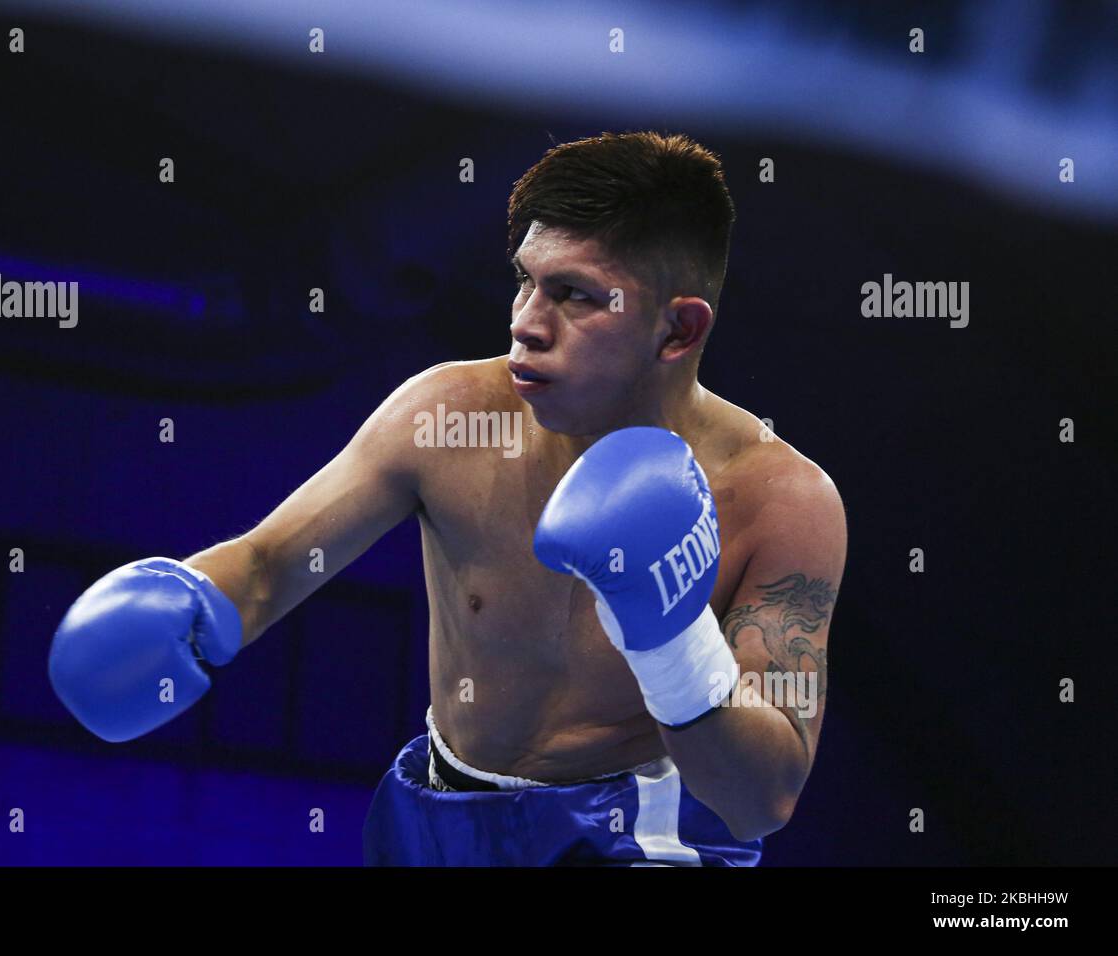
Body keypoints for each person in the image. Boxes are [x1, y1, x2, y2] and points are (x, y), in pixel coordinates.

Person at [49, 131, 847, 865]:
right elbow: (268, 563)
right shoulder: (446, 417)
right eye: (525, 282)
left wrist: (671, 641)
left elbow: (760, 798)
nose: (526, 325)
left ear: (678, 331)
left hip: (641, 834)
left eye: (573, 294)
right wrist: (192, 602)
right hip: (433, 817)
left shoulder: (782, 501)